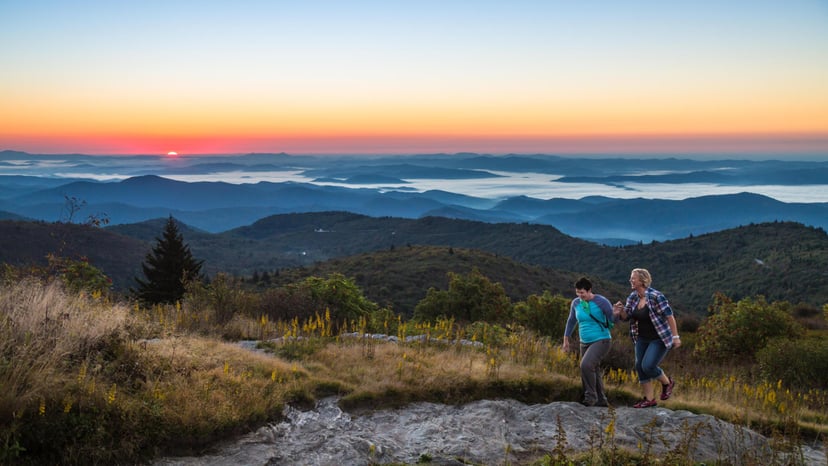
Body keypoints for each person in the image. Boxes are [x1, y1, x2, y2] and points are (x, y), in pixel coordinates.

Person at [613, 268, 681, 408]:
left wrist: (676, 337)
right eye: (631, 278)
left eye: (633, 278)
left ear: (642, 280)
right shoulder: (633, 297)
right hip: (641, 338)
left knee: (648, 365)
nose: (630, 280)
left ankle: (667, 383)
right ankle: (649, 399)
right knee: (639, 366)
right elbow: (627, 317)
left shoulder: (656, 296)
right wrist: (620, 312)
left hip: (659, 338)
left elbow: (669, 316)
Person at [563, 276, 616, 407]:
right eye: (577, 292)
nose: (580, 295)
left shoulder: (602, 302)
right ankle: (601, 400)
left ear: (589, 290)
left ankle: (590, 397)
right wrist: (566, 339)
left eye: (582, 293)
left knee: (585, 365)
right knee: (594, 369)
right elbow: (571, 321)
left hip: (601, 340)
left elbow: (613, 320)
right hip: (584, 341)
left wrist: (617, 313)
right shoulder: (576, 303)